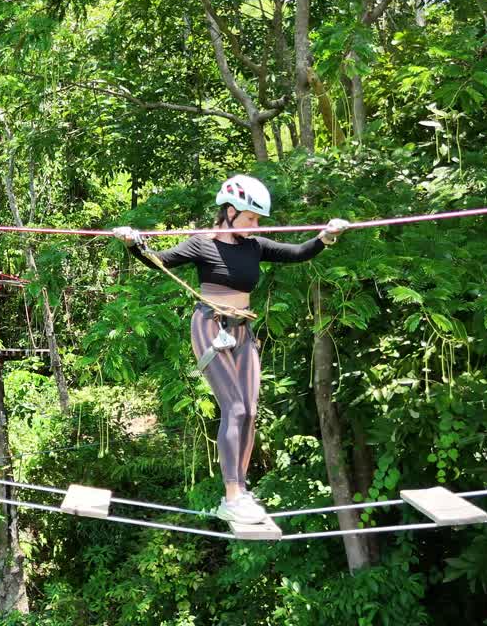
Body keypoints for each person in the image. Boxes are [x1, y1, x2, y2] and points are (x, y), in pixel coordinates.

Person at [113, 175, 348, 524]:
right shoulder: (202, 244)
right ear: (230, 211)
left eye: (257, 221)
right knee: (234, 407)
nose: (255, 226)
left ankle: (241, 491)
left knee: (250, 410)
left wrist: (327, 235)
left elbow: (299, 253)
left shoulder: (254, 246)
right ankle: (232, 495)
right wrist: (134, 243)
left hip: (242, 329)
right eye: (251, 218)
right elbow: (159, 259)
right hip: (210, 326)